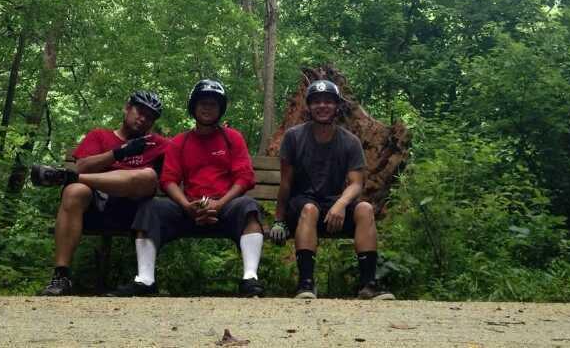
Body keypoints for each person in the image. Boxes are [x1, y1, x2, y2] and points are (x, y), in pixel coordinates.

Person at [109, 79, 265, 298]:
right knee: (150, 207)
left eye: (213, 104)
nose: (207, 108)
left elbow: (245, 177)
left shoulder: (232, 139)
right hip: (189, 208)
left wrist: (219, 204)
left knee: (248, 206)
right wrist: (187, 205)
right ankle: (145, 280)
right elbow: (168, 180)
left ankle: (250, 278)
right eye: (202, 103)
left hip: (226, 207)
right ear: (193, 107)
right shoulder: (180, 142)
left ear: (220, 109)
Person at [30, 90, 168, 296]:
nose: (143, 119)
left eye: (150, 117)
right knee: (74, 190)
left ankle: (64, 178)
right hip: (98, 205)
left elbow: (189, 152)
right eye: (140, 111)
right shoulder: (99, 136)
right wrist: (119, 152)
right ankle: (61, 276)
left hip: (136, 209)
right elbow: (78, 166)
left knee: (148, 177)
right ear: (127, 108)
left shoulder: (159, 144)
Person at [268, 80, 395, 300]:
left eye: (328, 101)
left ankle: (369, 284)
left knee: (364, 208)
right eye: (316, 101)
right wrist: (279, 219)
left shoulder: (349, 142)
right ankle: (306, 283)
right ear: (308, 106)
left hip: (333, 207)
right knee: (309, 208)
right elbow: (286, 182)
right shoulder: (294, 137)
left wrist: (340, 204)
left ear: (336, 106)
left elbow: (356, 183)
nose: (322, 106)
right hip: (302, 206)